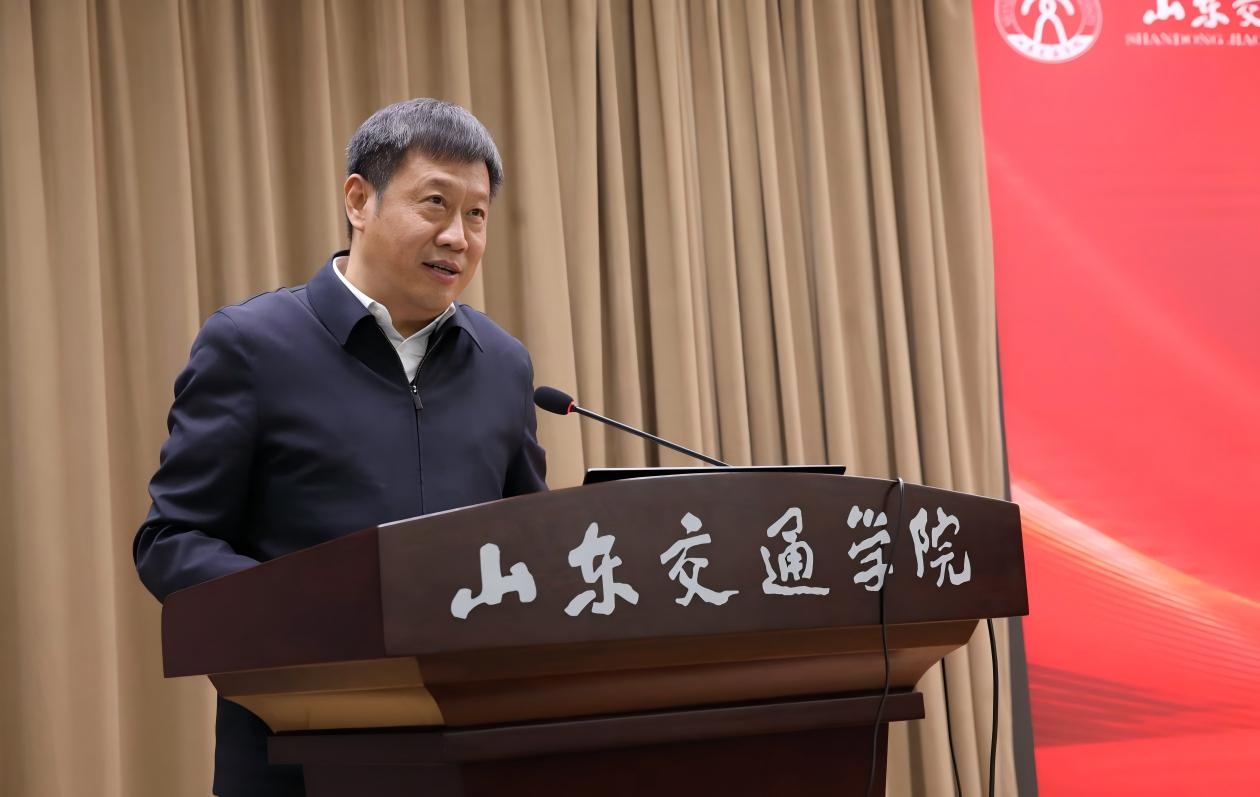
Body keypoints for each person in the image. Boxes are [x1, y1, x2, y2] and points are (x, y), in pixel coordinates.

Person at [133, 98, 548, 797]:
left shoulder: (503, 364)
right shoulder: (252, 345)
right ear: (359, 200)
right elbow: (171, 540)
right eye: (435, 204)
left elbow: (527, 544)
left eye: (476, 214)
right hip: (299, 754)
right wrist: (311, 610)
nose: (457, 236)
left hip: (468, 752)